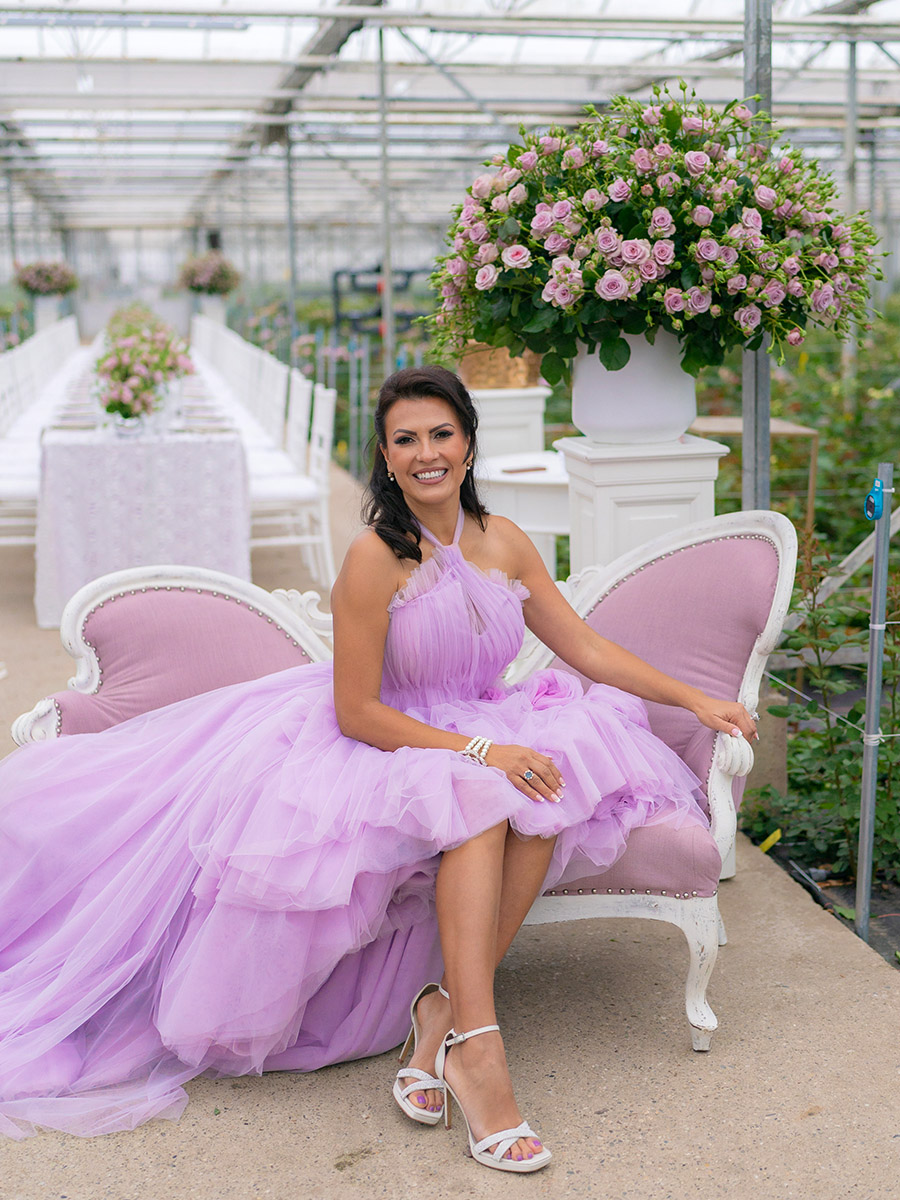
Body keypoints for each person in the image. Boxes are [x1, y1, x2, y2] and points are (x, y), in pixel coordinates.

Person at [0, 366, 756, 1169]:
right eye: (406, 440)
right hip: (388, 735)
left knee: (551, 781)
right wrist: (478, 751)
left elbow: (588, 648)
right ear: (386, 457)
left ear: (467, 443)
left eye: (441, 434)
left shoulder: (505, 541)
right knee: (486, 795)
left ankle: (441, 1019)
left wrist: (695, 698)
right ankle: (482, 1054)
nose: (426, 453)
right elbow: (356, 710)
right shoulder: (375, 557)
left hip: (486, 716)